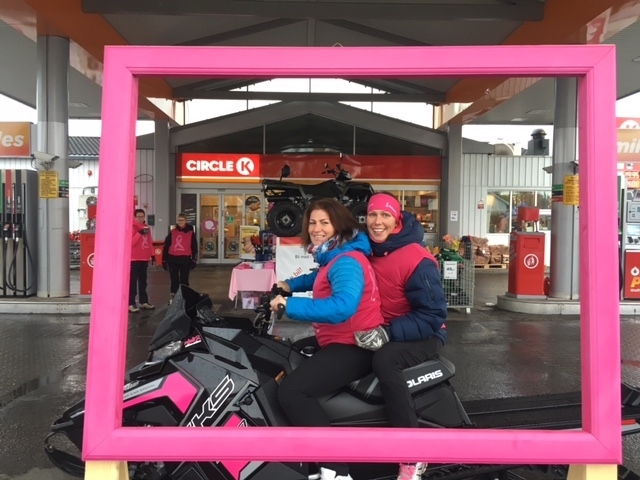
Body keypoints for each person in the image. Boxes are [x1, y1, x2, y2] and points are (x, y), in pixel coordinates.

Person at [270, 198, 385, 480]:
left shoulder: (346, 261)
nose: (317, 228)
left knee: (292, 391)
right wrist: (288, 285)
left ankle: (336, 468)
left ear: (338, 225)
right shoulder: (335, 254)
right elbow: (319, 278)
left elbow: (342, 306)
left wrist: (289, 305)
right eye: (312, 222)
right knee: (286, 355)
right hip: (341, 340)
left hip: (355, 345)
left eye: (324, 222)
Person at [354, 192, 447, 480]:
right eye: (372, 215)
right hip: (382, 329)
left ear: (396, 220)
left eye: (385, 215)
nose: (377, 221)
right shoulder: (366, 249)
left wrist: (388, 332)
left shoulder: (418, 259)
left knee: (385, 361)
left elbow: (433, 315)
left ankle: (412, 455)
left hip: (425, 333)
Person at [162, 213, 198, 304]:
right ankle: (174, 297)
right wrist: (164, 260)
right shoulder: (173, 232)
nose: (180, 222)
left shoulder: (190, 232)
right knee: (174, 279)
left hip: (185, 259)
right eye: (178, 220)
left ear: (185, 221)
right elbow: (166, 246)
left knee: (184, 279)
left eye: (182, 220)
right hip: (172, 259)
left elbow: (194, 246)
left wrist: (194, 259)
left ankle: (185, 297)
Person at [129, 209, 155, 313]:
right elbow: (131, 243)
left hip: (144, 258)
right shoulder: (131, 227)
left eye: (142, 216)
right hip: (134, 258)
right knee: (133, 282)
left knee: (143, 282)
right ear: (135, 217)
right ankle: (131, 303)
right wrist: (139, 233)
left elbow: (149, 242)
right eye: (139, 217)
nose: (141, 218)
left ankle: (144, 301)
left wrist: (152, 255)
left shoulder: (147, 228)